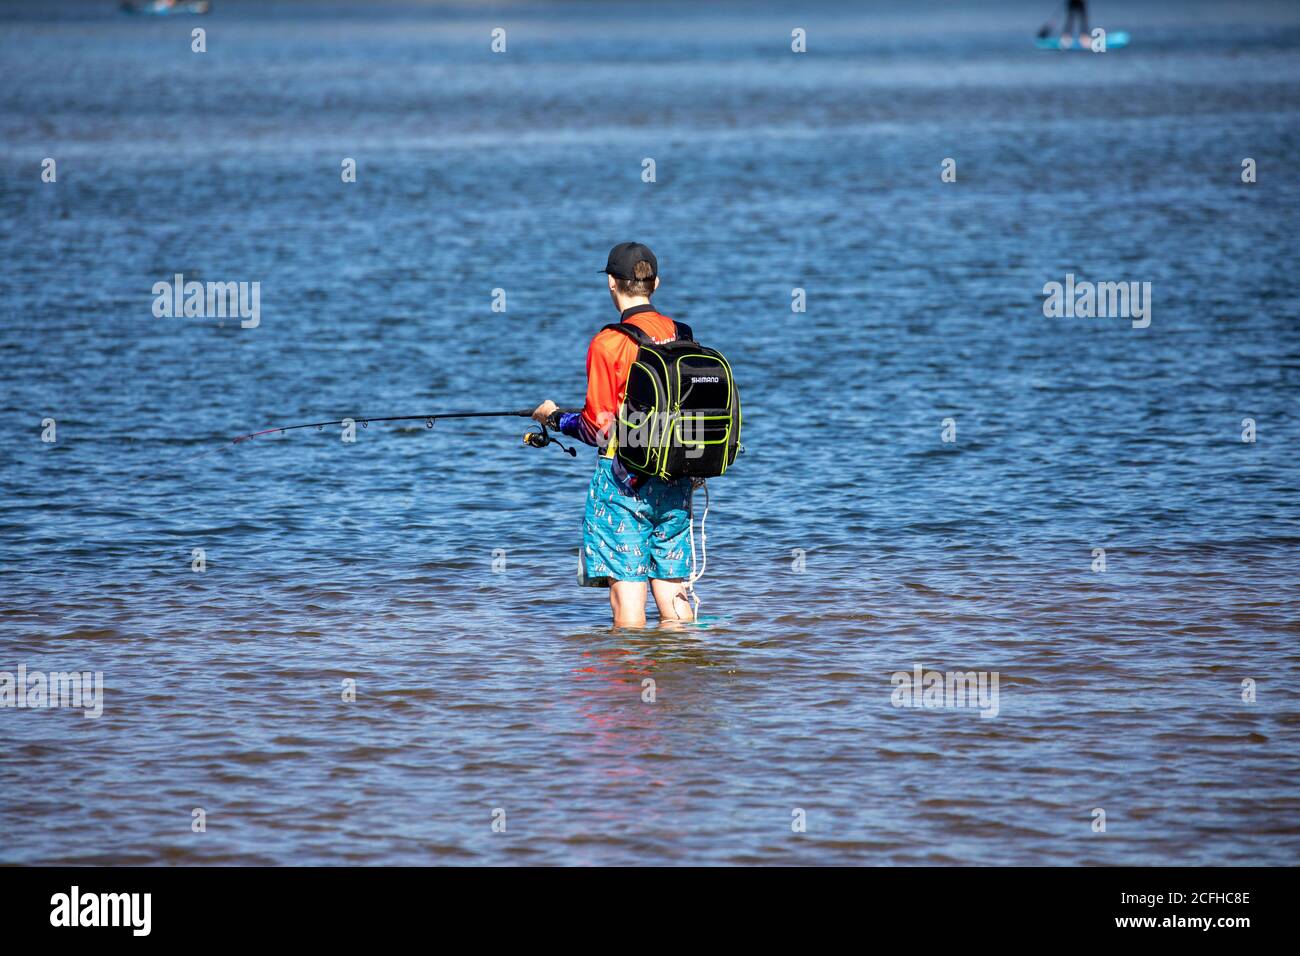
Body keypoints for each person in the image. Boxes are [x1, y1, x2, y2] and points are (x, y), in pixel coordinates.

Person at [533, 242, 695, 628]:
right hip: (676, 476)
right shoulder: (682, 334)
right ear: (655, 282)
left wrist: (556, 419)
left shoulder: (608, 343)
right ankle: (687, 669)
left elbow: (596, 427)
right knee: (673, 592)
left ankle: (631, 683)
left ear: (611, 283)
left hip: (624, 480)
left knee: (628, 599)